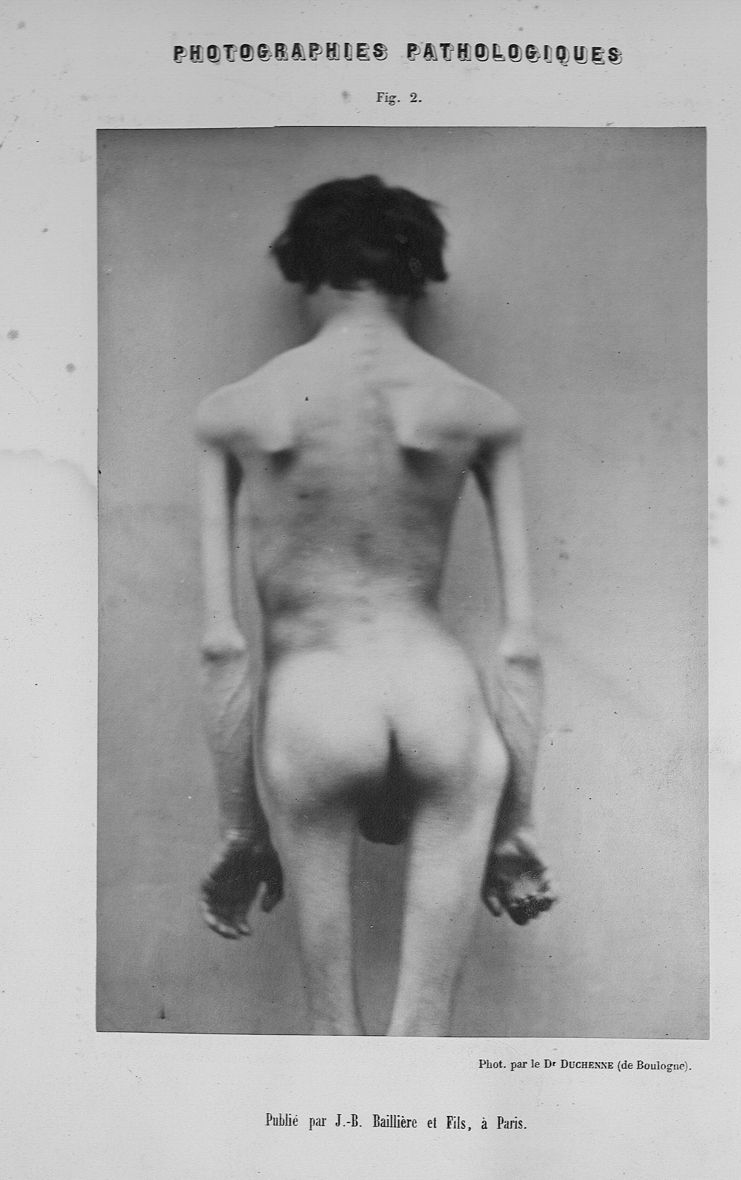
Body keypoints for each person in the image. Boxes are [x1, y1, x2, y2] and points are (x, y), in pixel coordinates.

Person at [195, 175, 555, 1036]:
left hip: (315, 700)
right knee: (424, 1038)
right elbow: (520, 647)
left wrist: (241, 829)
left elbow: (221, 646)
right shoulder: (481, 412)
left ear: (305, 270)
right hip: (439, 698)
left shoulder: (234, 412)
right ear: (418, 274)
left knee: (334, 1038)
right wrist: (517, 825)